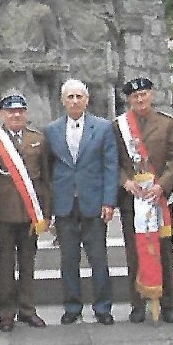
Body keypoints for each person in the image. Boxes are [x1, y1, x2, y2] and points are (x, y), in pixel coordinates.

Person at [44, 79, 118, 325]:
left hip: (94, 202)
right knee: (69, 259)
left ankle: (103, 307)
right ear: (63, 101)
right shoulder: (52, 130)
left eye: (79, 96)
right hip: (65, 204)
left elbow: (110, 166)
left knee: (98, 258)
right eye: (70, 97)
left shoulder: (104, 128)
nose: (74, 101)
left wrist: (109, 201)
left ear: (87, 100)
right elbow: (48, 169)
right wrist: (50, 207)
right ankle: (72, 307)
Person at [113, 77, 173, 324]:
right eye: (134, 96)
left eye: (143, 94)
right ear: (128, 100)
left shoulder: (167, 123)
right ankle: (138, 302)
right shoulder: (119, 126)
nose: (140, 100)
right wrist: (125, 181)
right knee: (135, 251)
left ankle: (168, 303)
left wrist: (161, 185)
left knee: (164, 251)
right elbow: (115, 161)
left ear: (151, 95)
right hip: (133, 199)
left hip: (159, 199)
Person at [0, 92, 51, 332]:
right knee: (5, 264)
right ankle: (6, 312)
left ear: (26, 113)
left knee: (27, 262)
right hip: (3, 214)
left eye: (20, 111)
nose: (16, 115)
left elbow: (45, 179)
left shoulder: (38, 139)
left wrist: (46, 213)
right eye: (11, 111)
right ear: (2, 114)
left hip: (29, 214)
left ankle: (27, 309)